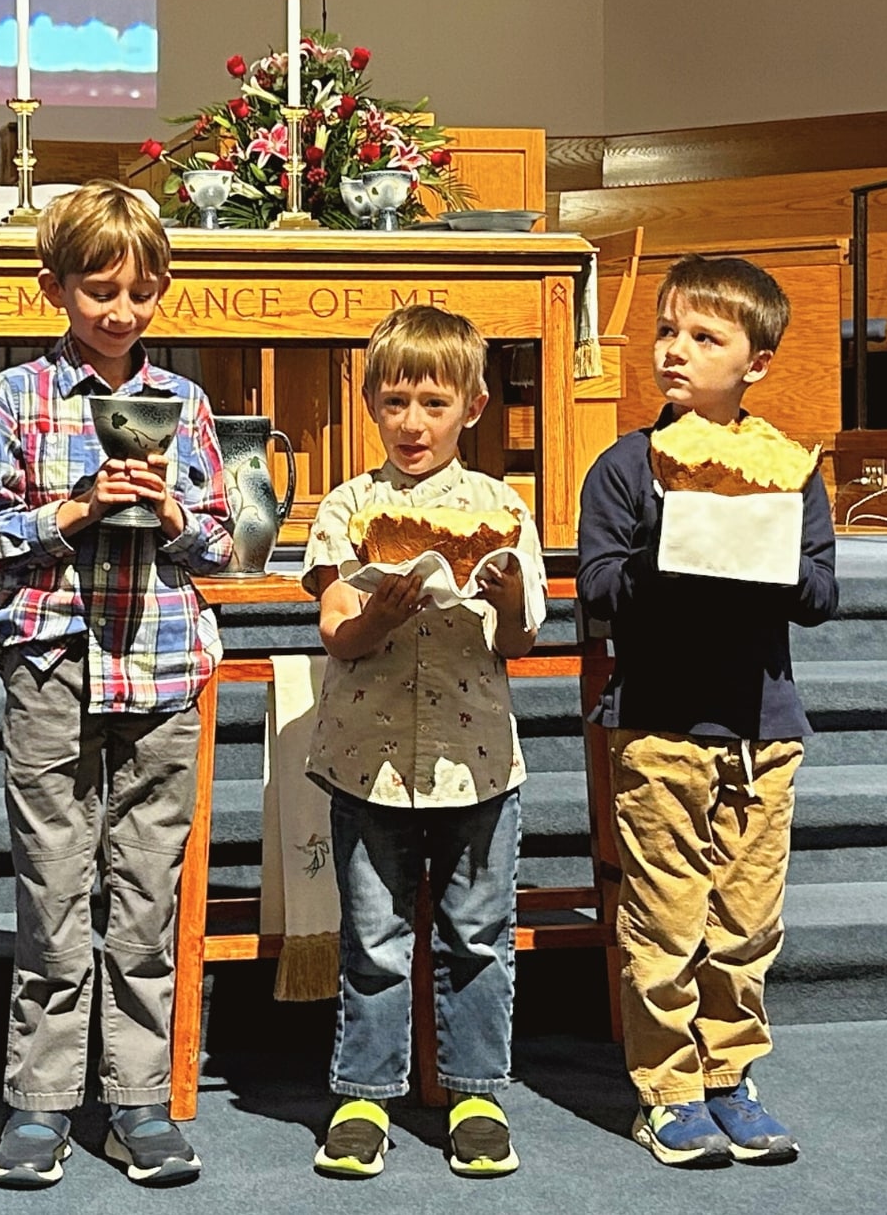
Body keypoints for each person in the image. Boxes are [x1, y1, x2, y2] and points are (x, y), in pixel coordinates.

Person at [0, 181, 231, 1190]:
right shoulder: (18, 397)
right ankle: (40, 1103)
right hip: (55, 660)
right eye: (98, 290)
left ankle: (136, 1099)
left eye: (140, 290)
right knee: (54, 882)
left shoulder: (188, 406)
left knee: (146, 893)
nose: (120, 311)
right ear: (55, 288)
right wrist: (72, 512)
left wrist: (171, 512)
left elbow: (225, 542)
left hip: (163, 664)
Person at [575, 254, 839, 1169]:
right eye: (667, 332)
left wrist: (756, 553)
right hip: (659, 724)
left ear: (755, 363)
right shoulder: (625, 466)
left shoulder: (785, 464)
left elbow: (818, 592)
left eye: (704, 338)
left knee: (745, 923)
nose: (675, 351)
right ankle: (668, 1090)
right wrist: (675, 545)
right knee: (663, 917)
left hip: (763, 727)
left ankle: (729, 1077)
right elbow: (600, 588)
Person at [299, 304, 543, 1181]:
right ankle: (365, 1093)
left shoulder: (502, 506)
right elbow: (334, 631)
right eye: (395, 400)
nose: (413, 422)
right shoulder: (348, 504)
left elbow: (516, 642)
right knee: (374, 936)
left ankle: (477, 1092)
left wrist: (507, 590)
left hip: (473, 756)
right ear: (369, 401)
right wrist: (376, 613)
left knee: (476, 933)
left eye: (433, 403)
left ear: (471, 408)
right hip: (366, 759)